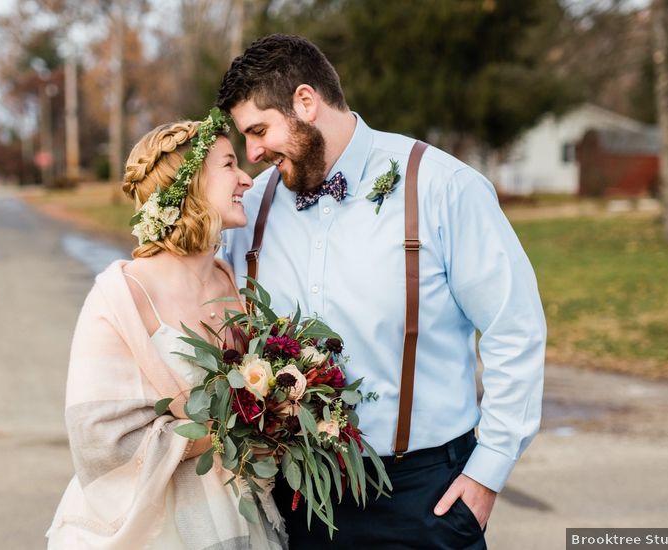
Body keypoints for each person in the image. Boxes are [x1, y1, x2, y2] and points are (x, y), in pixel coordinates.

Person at [216, 34, 546, 548]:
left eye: (258, 130)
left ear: (306, 102)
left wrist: (488, 472)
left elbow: (515, 327)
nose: (253, 152)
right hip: (289, 502)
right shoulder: (250, 207)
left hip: (420, 497)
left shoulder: (441, 187)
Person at [45, 115, 285, 549]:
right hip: (152, 529)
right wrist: (228, 430)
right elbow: (100, 442)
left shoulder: (231, 280)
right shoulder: (121, 297)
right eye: (229, 165)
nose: (246, 180)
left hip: (238, 516)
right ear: (189, 183)